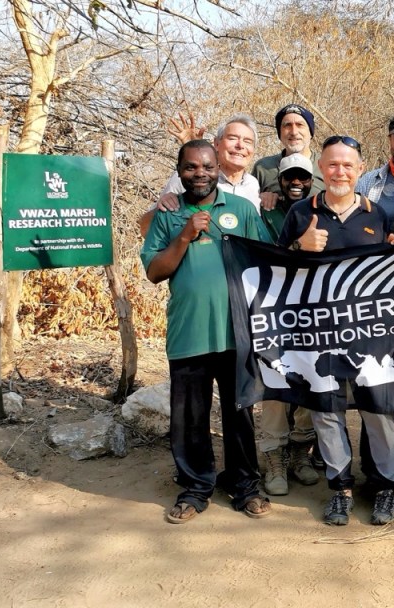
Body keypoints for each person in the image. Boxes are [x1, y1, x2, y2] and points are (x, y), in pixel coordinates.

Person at [278, 135, 394, 527]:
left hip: (369, 333)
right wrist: (299, 247)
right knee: (326, 410)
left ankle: (386, 485)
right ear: (321, 167)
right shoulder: (301, 212)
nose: (340, 172)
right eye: (333, 164)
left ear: (360, 168)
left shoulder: (377, 213)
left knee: (378, 409)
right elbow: (274, 272)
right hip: (319, 332)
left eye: (348, 165)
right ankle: (341, 488)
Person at [141, 140, 271, 523]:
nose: (200, 174)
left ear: (218, 168)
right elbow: (154, 272)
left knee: (240, 415)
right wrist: (183, 236)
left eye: (207, 167)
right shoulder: (168, 214)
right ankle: (196, 487)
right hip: (189, 333)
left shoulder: (242, 209)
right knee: (190, 418)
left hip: (237, 334)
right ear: (179, 171)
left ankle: (244, 484)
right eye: (191, 168)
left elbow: (265, 260)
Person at [254, 153, 323, 496]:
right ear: (277, 182)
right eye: (289, 178)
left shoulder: (319, 210)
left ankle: (301, 453)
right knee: (276, 383)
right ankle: (274, 457)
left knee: (312, 381)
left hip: (314, 314)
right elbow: (268, 260)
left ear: (313, 180)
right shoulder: (265, 211)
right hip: (276, 313)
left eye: (303, 178)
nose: (296, 183)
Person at [138, 114, 261, 237]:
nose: (240, 146)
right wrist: (162, 206)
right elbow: (146, 229)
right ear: (216, 144)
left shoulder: (253, 184)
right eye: (233, 138)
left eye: (248, 141)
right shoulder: (190, 179)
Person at [252, 104, 324, 210]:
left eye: (300, 125)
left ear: (310, 132)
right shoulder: (263, 168)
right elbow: (249, 206)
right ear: (280, 134)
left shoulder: (327, 165)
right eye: (287, 125)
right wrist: (260, 198)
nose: (294, 132)